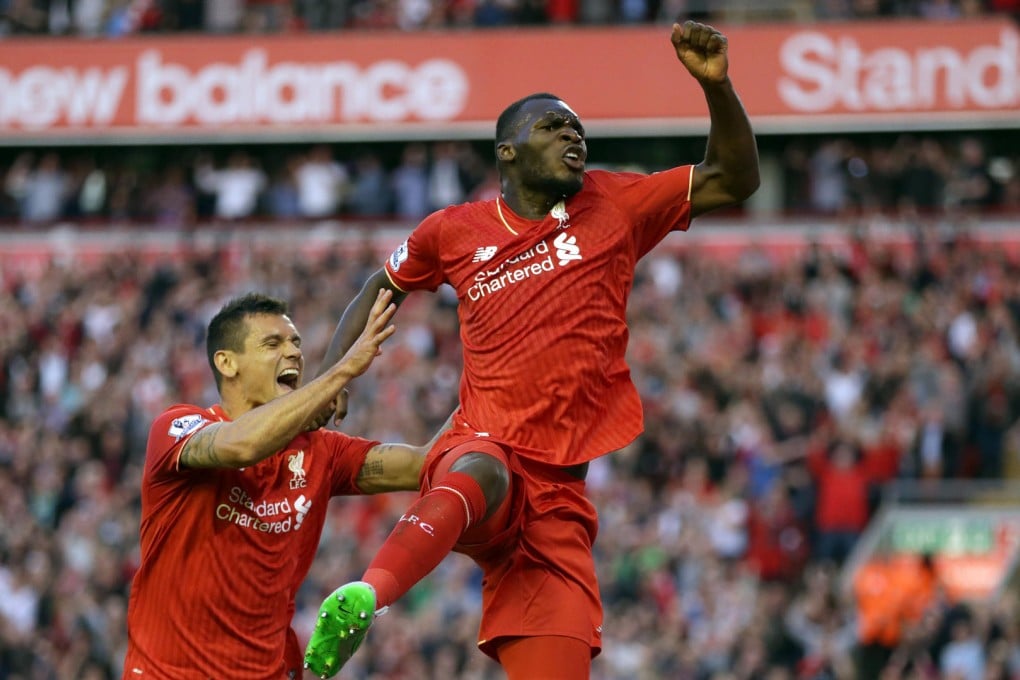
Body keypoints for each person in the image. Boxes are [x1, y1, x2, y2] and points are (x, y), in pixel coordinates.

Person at [303, 20, 760, 680]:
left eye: (578, 129)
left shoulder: (615, 203)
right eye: (553, 127)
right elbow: (382, 283)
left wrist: (717, 87)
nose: (573, 137)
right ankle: (366, 597)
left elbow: (732, 178)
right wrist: (335, 376)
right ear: (508, 153)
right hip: (482, 446)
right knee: (481, 466)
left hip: (559, 498)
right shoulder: (452, 232)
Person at [122, 289, 436, 679]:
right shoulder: (176, 428)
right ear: (227, 363)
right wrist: (341, 372)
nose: (293, 353)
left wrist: (497, 379)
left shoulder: (321, 451)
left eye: (295, 343)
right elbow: (241, 445)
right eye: (273, 343)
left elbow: (425, 463)